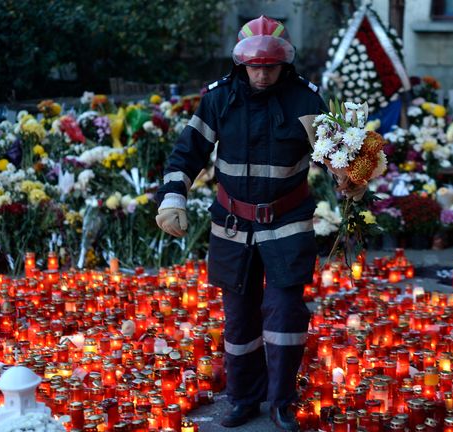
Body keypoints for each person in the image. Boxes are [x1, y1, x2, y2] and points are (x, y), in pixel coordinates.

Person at [155, 15, 363, 431]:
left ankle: (281, 402)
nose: (263, 74)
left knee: (285, 314)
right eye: (256, 66)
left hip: (287, 223)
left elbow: (342, 158)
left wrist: (351, 179)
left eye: (270, 66)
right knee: (238, 319)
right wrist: (173, 198)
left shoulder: (307, 101)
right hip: (232, 225)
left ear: (284, 64)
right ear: (242, 64)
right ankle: (244, 399)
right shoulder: (219, 98)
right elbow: (187, 153)